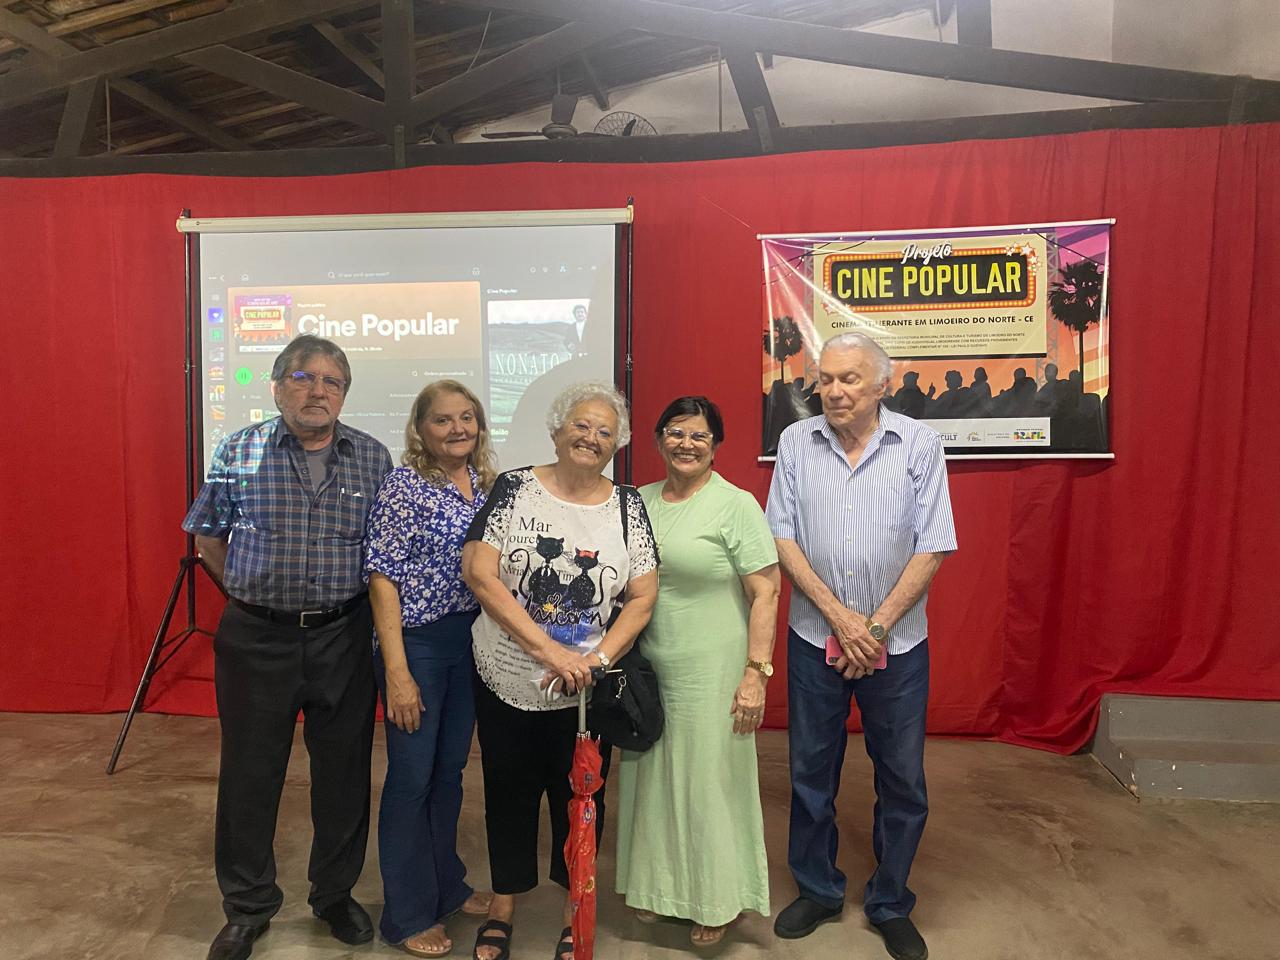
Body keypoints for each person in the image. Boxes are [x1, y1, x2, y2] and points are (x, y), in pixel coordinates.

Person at [183, 334, 393, 960]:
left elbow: (385, 555)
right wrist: (254, 596)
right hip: (256, 639)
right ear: (277, 388)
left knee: (343, 774)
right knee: (249, 776)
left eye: (332, 382)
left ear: (344, 394)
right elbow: (208, 540)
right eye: (304, 378)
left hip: (342, 636)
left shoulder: (373, 457)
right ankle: (248, 907)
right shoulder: (238, 450)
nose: (317, 391)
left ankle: (334, 895)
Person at [765, 332, 957, 960]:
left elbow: (932, 545)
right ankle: (818, 890)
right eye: (825, 378)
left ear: (881, 386)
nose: (834, 390)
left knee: (902, 778)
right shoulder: (797, 442)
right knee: (809, 772)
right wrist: (840, 619)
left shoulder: (920, 445)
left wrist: (871, 630)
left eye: (849, 379)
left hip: (896, 645)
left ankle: (890, 901)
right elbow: (783, 538)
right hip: (814, 636)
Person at [462, 381, 659, 960]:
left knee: (582, 798)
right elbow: (480, 573)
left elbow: (643, 596)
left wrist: (596, 661)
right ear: (556, 430)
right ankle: (503, 903)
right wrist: (550, 652)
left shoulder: (627, 505)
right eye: (580, 424)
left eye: (604, 431)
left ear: (616, 445)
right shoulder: (514, 487)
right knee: (507, 791)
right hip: (506, 676)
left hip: (586, 690)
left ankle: (577, 906)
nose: (591, 437)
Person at [615, 396, 780, 947]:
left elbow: (766, 592)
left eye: (699, 435)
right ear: (658, 438)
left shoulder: (735, 505)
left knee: (709, 782)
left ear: (716, 445)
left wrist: (755, 674)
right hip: (648, 664)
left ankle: (717, 898)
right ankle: (660, 890)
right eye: (676, 432)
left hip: (713, 666)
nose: (686, 444)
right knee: (651, 778)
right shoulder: (636, 501)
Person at [364, 380, 498, 956]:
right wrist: (397, 671)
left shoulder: (488, 485)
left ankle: (448, 885)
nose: (457, 428)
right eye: (443, 419)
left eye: (467, 417)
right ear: (420, 428)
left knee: (448, 773)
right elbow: (381, 578)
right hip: (415, 645)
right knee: (412, 778)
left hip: (469, 643)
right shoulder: (405, 486)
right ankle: (407, 913)